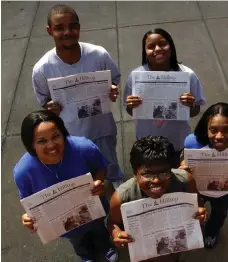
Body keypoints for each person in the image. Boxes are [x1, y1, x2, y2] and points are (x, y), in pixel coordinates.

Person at [32, 4, 124, 189]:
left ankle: (115, 180)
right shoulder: (42, 69)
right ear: (49, 31)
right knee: (81, 167)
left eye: (72, 26)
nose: (67, 32)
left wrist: (113, 89)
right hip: (72, 132)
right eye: (59, 28)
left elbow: (114, 78)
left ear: (79, 28)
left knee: (110, 159)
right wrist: (50, 108)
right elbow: (44, 102)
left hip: (102, 126)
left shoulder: (98, 54)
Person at [13, 111, 118, 262]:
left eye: (56, 136)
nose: (51, 145)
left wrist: (98, 182)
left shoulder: (84, 147)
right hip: (65, 225)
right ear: (31, 144)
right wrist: (27, 218)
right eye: (42, 141)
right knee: (78, 241)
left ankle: (105, 247)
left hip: (94, 211)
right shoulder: (23, 172)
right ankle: (86, 256)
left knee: (100, 231)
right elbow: (27, 201)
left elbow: (101, 168)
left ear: (63, 134)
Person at [107, 136, 208, 262]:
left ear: (171, 169)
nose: (156, 180)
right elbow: (112, 222)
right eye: (147, 174)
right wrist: (116, 234)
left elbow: (198, 204)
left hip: (174, 252)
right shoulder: (121, 197)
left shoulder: (186, 181)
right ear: (135, 173)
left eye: (164, 173)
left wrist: (200, 213)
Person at [124, 28, 206, 168]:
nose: (158, 49)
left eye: (163, 44)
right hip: (147, 142)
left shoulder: (187, 75)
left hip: (177, 142)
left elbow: (194, 111)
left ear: (171, 46)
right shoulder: (136, 76)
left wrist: (190, 105)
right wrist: (131, 106)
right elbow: (131, 111)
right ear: (145, 51)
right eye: (151, 46)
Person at [181, 102, 228, 248]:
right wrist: (182, 168)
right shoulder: (192, 142)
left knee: (219, 214)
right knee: (193, 211)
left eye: (227, 130)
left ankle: (212, 232)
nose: (219, 136)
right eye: (213, 130)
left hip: (225, 194)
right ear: (206, 130)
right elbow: (184, 160)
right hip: (198, 189)